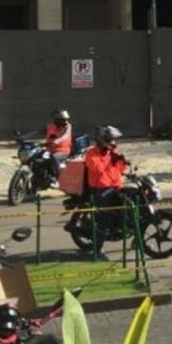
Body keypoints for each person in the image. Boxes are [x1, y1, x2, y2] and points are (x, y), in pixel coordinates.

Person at [84, 125, 129, 260]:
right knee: (105, 217)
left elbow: (120, 170)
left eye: (114, 140)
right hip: (100, 190)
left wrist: (122, 161)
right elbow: (97, 169)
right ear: (103, 140)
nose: (114, 143)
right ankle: (97, 249)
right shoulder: (91, 153)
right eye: (111, 140)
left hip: (115, 187)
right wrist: (110, 160)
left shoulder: (111, 153)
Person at [42, 109, 73, 184]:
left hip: (63, 150)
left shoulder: (68, 126)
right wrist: (24, 137)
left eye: (66, 119)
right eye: (62, 120)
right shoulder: (49, 126)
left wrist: (56, 141)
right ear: (56, 120)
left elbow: (65, 136)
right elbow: (37, 132)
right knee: (37, 158)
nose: (65, 122)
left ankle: (55, 178)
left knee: (54, 157)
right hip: (49, 150)